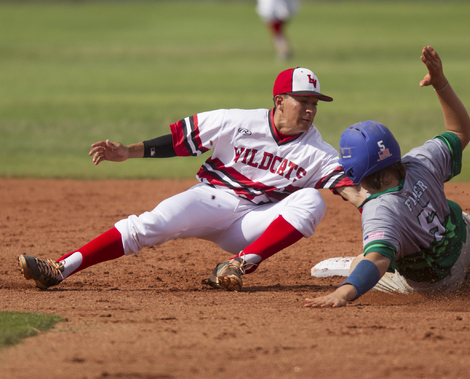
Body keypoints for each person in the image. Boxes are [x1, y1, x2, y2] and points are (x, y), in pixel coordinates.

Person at [19, 67, 365, 291]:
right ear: (279, 101)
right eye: (302, 101)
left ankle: (236, 265)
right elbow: (181, 141)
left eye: (314, 103)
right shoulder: (235, 121)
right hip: (211, 199)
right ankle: (60, 268)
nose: (309, 109)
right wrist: (129, 151)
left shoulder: (319, 151)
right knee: (148, 226)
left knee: (311, 201)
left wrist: (372, 205)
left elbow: (345, 188)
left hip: (250, 225)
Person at [305, 45, 470, 308]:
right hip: (468, 241)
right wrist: (440, 83)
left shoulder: (378, 211)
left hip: (439, 282)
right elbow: (461, 130)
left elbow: (377, 261)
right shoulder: (422, 160)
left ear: (354, 170)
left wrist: (342, 294)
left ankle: (351, 264)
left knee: (381, 266)